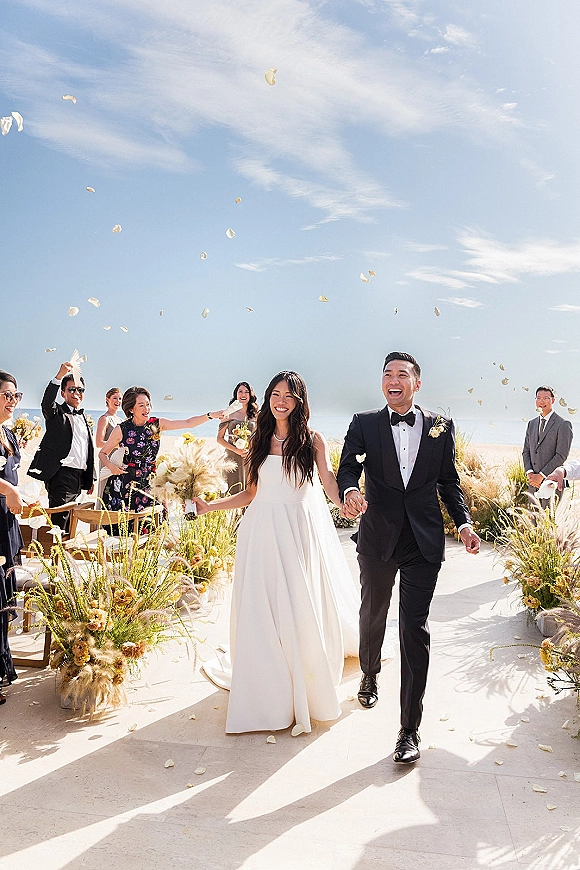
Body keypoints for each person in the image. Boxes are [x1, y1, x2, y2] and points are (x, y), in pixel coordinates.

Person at [193, 371, 360, 734]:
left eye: (288, 395)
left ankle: (302, 678)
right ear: (267, 397)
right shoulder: (257, 439)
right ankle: (267, 688)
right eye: (275, 393)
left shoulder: (312, 440)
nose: (280, 400)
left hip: (298, 530)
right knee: (262, 606)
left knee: (298, 605)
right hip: (261, 532)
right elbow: (250, 493)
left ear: (299, 401)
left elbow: (328, 480)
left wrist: (345, 498)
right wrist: (211, 506)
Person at [337, 352, 480, 764]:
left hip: (423, 541)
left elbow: (448, 480)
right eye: (387, 374)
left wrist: (465, 523)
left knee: (414, 628)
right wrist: (349, 491)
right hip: (378, 536)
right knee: (373, 612)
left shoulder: (441, 425)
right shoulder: (364, 423)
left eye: (402, 374)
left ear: (417, 383)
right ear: (382, 383)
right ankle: (369, 671)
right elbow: (347, 468)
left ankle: (409, 730)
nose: (393, 380)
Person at [99, 387, 227, 513]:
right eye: (141, 405)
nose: (147, 409)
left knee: (154, 524)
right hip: (127, 484)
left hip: (152, 481)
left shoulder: (156, 424)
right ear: (131, 409)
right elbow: (102, 453)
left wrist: (210, 415)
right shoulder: (121, 429)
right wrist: (112, 467)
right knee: (125, 527)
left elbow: (188, 423)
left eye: (148, 404)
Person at [28, 362, 95, 531]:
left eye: (80, 390)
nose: (76, 393)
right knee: (60, 523)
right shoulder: (57, 413)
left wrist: (90, 476)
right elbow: (46, 403)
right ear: (63, 393)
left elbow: (87, 448)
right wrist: (59, 376)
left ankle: (63, 555)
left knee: (72, 521)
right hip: (61, 475)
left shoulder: (84, 418)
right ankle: (54, 556)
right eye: (72, 389)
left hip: (79, 478)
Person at [0, 371, 24, 702]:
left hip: (5, 524)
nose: (12, 401)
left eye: (16, 396)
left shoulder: (7, 433)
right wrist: (7, 489)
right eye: (7, 395)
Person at [522, 386, 573, 508]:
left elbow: (561, 455)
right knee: (533, 523)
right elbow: (526, 451)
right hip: (533, 483)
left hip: (552, 482)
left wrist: (541, 476)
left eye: (546, 398)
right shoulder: (532, 424)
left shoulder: (563, 424)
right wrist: (530, 474)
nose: (542, 401)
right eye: (539, 398)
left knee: (550, 522)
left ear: (553, 400)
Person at [216, 382, 258, 493]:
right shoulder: (228, 414)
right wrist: (236, 450)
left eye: (246, 392)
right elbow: (219, 438)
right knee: (230, 488)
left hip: (250, 457)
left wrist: (251, 451)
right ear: (236, 394)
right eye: (240, 391)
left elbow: (260, 437)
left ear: (250, 395)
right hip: (232, 456)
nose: (243, 394)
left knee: (248, 490)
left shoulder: (256, 415)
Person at [95, 387, 123, 500]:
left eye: (120, 399)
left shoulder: (121, 420)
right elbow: (99, 442)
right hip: (107, 459)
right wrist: (117, 445)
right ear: (107, 399)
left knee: (117, 492)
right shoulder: (104, 419)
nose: (118, 401)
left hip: (119, 460)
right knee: (105, 491)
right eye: (115, 398)